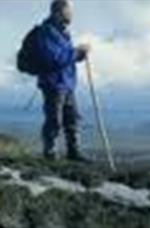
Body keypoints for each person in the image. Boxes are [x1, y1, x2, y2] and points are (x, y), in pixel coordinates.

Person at [35, 0, 90, 161]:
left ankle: (74, 152)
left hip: (66, 83)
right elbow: (55, 59)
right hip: (54, 84)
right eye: (69, 10)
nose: (72, 14)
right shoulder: (47, 32)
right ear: (59, 11)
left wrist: (79, 55)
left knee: (72, 118)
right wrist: (76, 52)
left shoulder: (62, 32)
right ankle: (50, 154)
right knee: (54, 120)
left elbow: (65, 58)